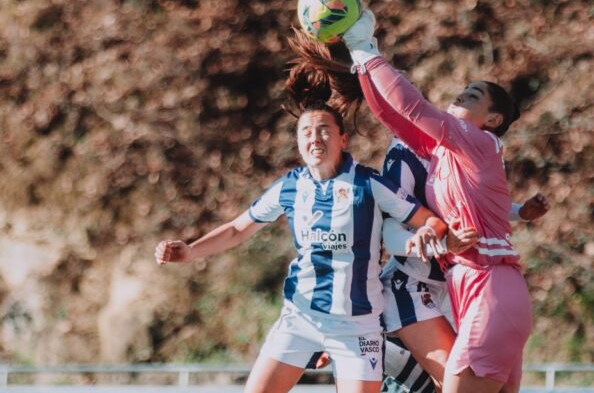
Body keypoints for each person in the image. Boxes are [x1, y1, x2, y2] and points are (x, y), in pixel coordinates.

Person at [153, 61, 452, 393]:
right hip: (301, 319)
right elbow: (239, 229)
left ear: (343, 138)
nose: (314, 137)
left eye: (323, 129)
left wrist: (429, 231)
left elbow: (429, 219)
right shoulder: (290, 187)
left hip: (356, 328)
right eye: (305, 132)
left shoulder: (369, 184)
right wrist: (191, 251)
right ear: (298, 142)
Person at [340, 9, 540, 393]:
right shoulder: (449, 153)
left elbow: (414, 106)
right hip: (478, 289)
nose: (461, 94)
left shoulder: (478, 142)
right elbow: (394, 116)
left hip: (489, 287)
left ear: (493, 119)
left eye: (474, 94)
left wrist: (366, 49)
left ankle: (384, 358)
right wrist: (362, 59)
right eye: (464, 89)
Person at [379, 138, 550, 393]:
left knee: (489, 388)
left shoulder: (468, 144)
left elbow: (478, 208)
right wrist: (443, 245)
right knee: (463, 386)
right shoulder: (404, 151)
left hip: (456, 290)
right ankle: (375, 351)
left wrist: (519, 213)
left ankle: (383, 357)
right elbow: (390, 232)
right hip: (412, 285)